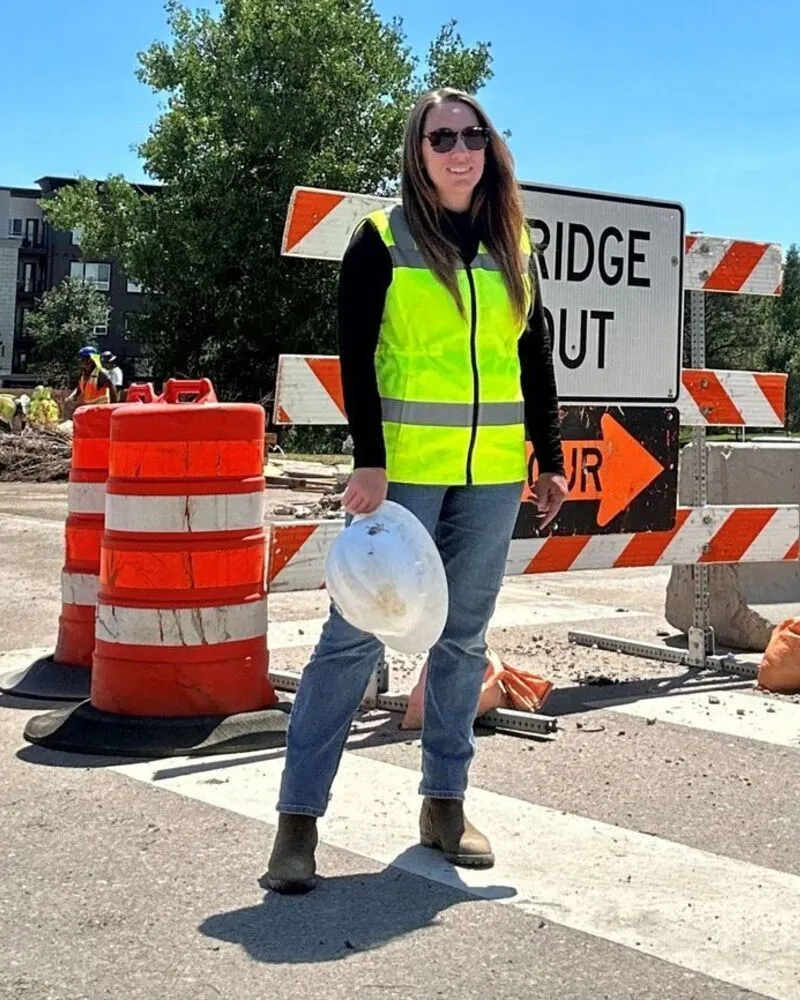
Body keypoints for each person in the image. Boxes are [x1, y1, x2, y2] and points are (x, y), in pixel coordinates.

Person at [263, 87, 568, 894]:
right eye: (442, 138)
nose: (459, 149)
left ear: (490, 148)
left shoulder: (515, 245)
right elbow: (356, 358)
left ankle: (444, 806)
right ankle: (297, 827)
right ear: (419, 151)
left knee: (464, 639)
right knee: (354, 638)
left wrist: (552, 455)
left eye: (473, 136)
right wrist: (367, 458)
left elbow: (533, 358)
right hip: (403, 477)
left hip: (495, 473)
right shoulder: (381, 239)